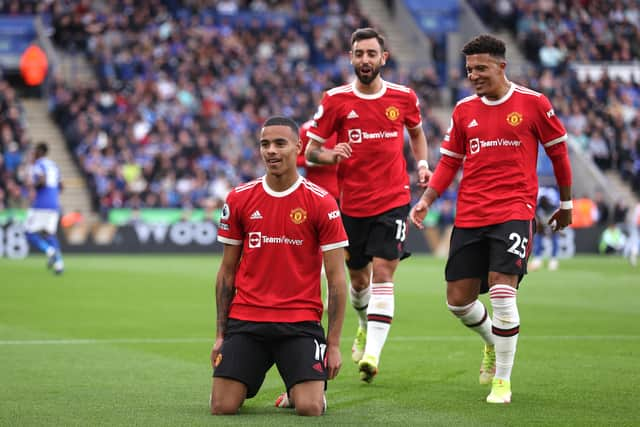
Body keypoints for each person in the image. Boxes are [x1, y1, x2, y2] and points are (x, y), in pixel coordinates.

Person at [409, 34, 573, 404]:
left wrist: (566, 202)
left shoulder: (533, 104)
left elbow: (559, 154)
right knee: (457, 301)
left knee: (502, 289)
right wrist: (427, 199)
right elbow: (450, 160)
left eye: (481, 68)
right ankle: (490, 341)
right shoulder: (464, 110)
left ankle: (502, 380)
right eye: (469, 70)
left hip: (514, 210)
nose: (474, 76)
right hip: (470, 214)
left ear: (502, 66)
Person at [303, 27, 431, 382]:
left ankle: (372, 354)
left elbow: (417, 133)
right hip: (352, 207)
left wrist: (421, 163)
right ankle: (363, 325)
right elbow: (310, 149)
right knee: (358, 282)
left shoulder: (404, 97)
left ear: (383, 58)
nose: (365, 60)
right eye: (359, 54)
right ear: (351, 58)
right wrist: (331, 155)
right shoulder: (335, 100)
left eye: (371, 54)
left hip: (393, 201)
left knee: (384, 274)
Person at [210, 116, 348, 416]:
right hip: (247, 320)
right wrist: (221, 335)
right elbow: (227, 272)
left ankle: (300, 388)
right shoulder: (239, 198)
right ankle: (265, 376)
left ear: (298, 147)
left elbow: (337, 280)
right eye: (265, 144)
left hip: (299, 323)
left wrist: (333, 344)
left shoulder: (321, 202)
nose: (271, 150)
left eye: (280, 143)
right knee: (222, 406)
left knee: (310, 408)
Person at [24, 142, 64, 274]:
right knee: (49, 234)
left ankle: (50, 252)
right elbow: (61, 186)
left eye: (35, 151)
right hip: (54, 204)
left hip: (41, 204)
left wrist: (34, 187)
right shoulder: (54, 165)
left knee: (28, 232)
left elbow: (42, 180)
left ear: (39, 152)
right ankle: (59, 264)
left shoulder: (38, 164)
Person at [529, 186, 561, 271]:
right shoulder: (539, 200)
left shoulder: (552, 199)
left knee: (554, 237)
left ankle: (553, 259)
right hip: (542, 217)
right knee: (539, 236)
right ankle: (538, 259)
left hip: (552, 217)